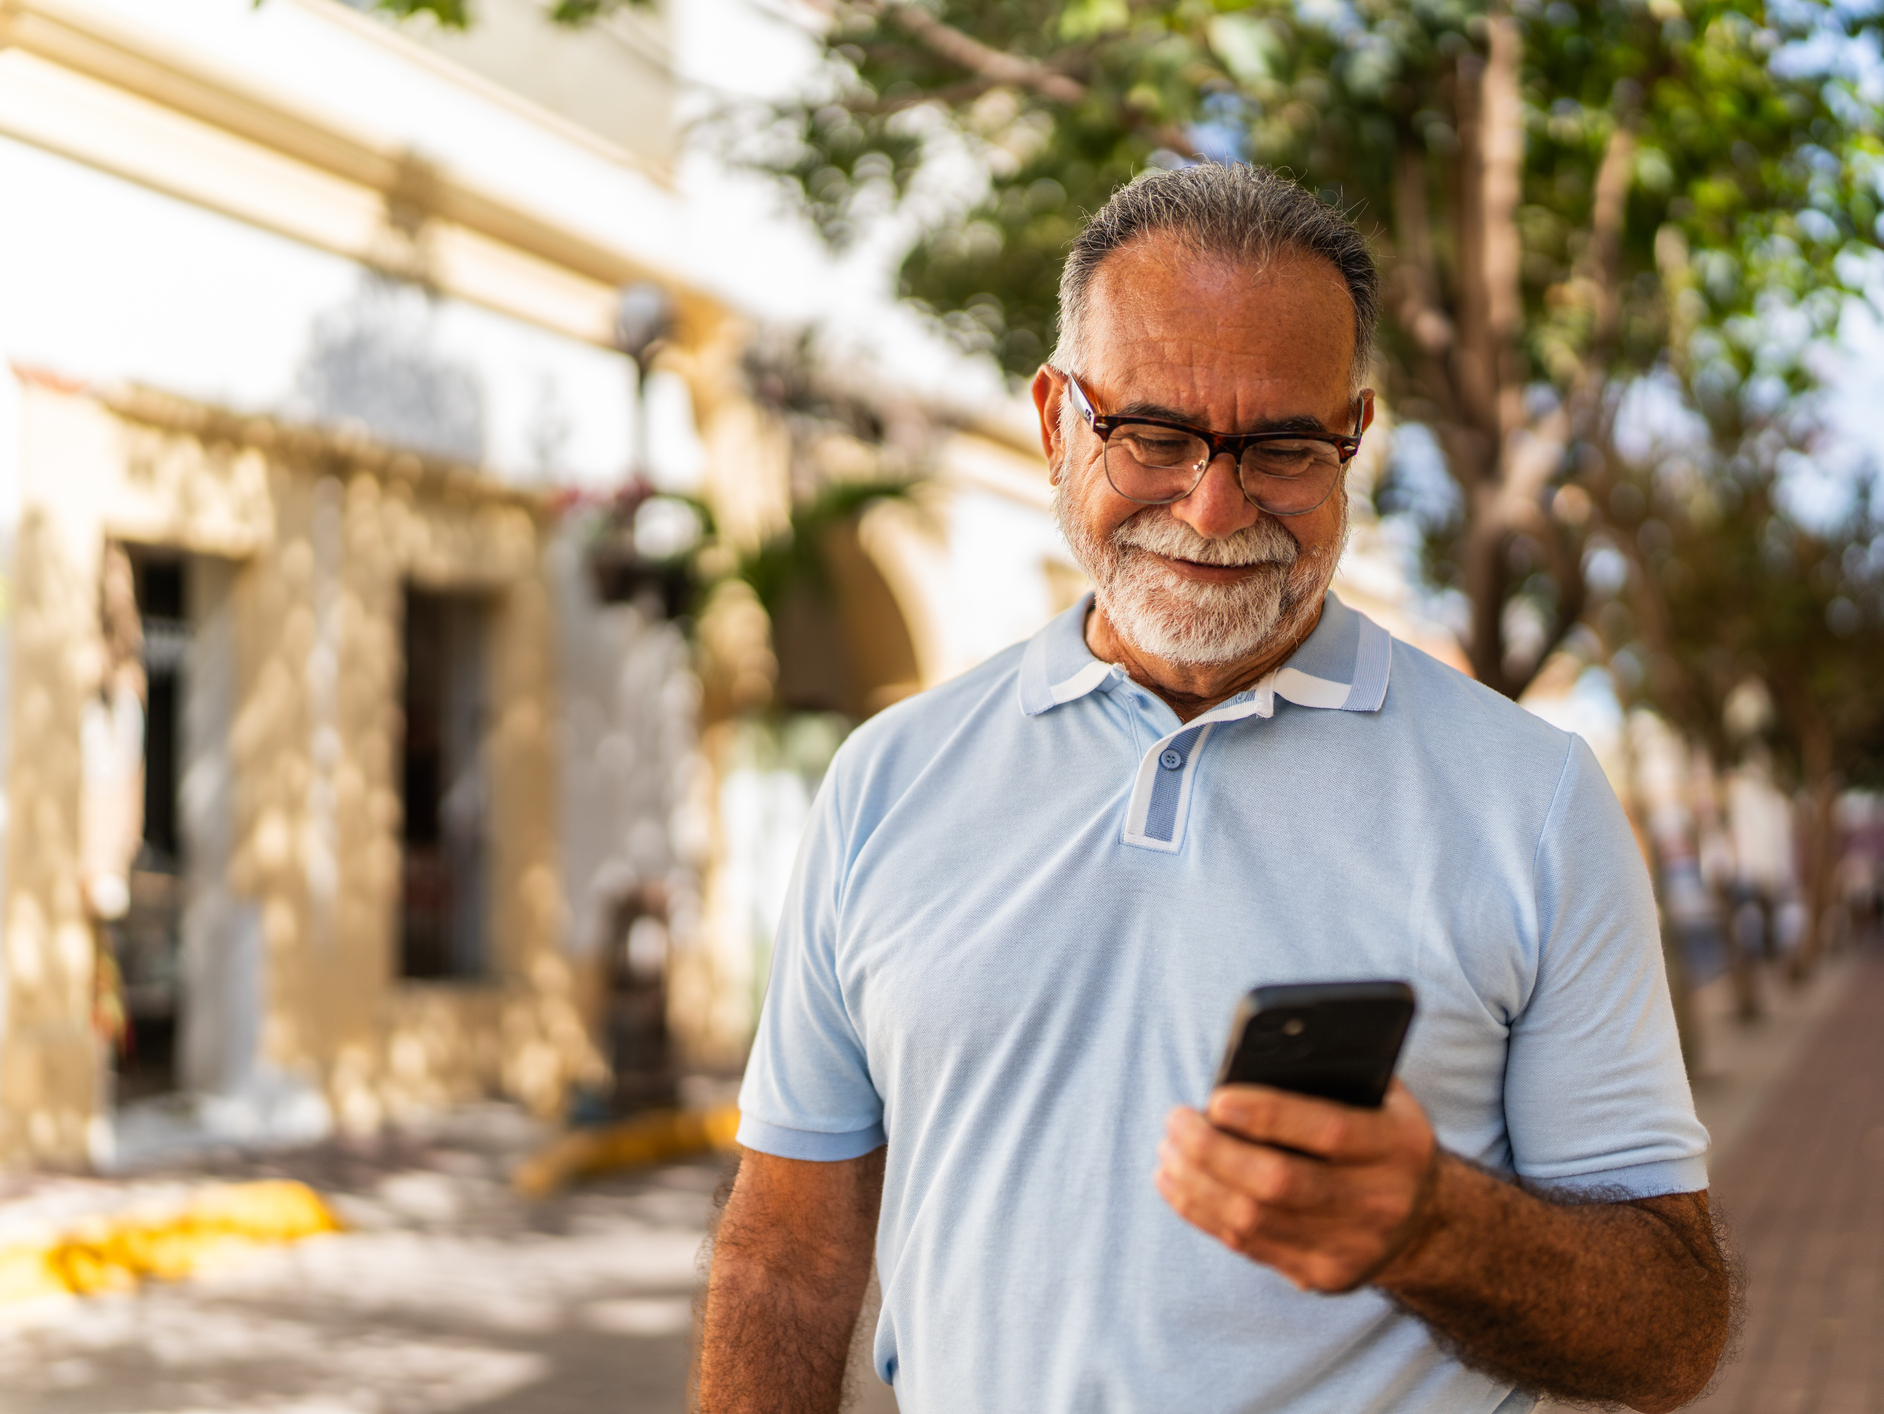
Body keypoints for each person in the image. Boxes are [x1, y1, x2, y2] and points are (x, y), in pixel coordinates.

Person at [699, 163, 1731, 1414]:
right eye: (1152, 434)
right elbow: (789, 1254)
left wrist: (1431, 1229)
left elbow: (1670, 1331)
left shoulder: (1534, 801)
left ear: (1351, 437)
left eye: (1281, 446)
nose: (1212, 501)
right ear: (1052, 420)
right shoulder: (886, 781)